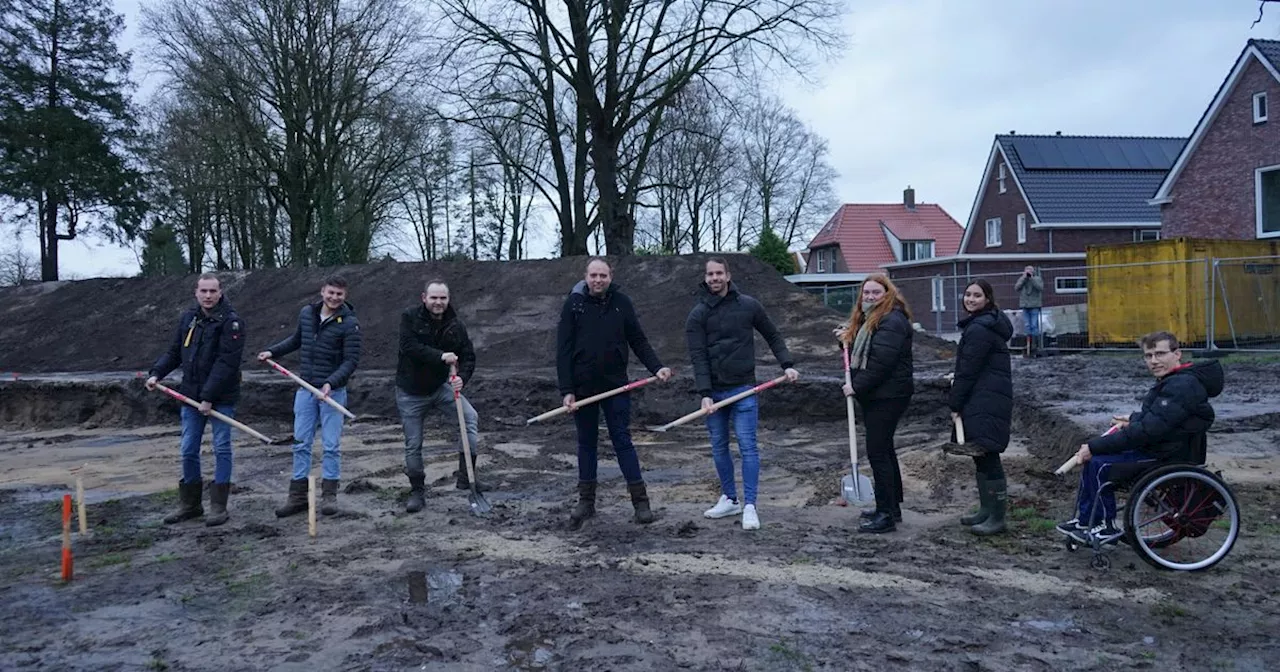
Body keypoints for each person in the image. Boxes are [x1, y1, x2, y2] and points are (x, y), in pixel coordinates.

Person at [1056, 331, 1223, 542]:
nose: (1154, 361)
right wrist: (1133, 419)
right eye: (1149, 355)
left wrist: (1095, 445)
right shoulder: (1175, 380)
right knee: (1094, 462)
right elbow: (1161, 419)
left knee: (1100, 464)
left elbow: (1149, 430)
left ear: (1177, 354)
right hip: (1163, 446)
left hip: (1167, 455)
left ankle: (1103, 526)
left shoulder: (1182, 385)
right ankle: (1086, 520)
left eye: (1160, 354)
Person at [557, 258, 673, 529]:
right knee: (586, 444)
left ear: (611, 277)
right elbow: (562, 350)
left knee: (622, 441)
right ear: (585, 277)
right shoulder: (573, 304)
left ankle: (641, 503)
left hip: (616, 386)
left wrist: (657, 367)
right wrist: (567, 391)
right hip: (583, 389)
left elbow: (638, 339)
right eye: (594, 275)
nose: (598, 280)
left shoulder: (622, 302)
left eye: (603, 275)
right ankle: (586, 502)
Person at [686, 257, 799, 531]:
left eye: (718, 273)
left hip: (744, 388)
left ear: (728, 275)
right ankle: (730, 498)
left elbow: (772, 335)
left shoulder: (748, 305)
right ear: (706, 277)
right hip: (714, 392)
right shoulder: (697, 315)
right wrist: (704, 393)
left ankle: (750, 506)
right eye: (710, 274)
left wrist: (787, 364)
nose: (714, 278)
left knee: (747, 445)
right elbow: (698, 357)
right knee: (718, 446)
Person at [145, 273, 245, 527]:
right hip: (191, 396)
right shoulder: (188, 319)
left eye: (213, 291)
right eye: (204, 291)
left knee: (221, 448)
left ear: (220, 293)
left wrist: (208, 398)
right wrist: (156, 373)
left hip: (221, 397)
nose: (208, 296)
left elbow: (226, 364)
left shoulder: (231, 323)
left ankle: (218, 507)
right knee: (188, 449)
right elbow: (175, 352)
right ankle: (190, 505)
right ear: (196, 292)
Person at [259, 275, 362, 518]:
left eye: (339, 294)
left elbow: (351, 361)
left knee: (331, 445)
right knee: (301, 443)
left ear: (344, 296)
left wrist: (331, 383)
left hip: (333, 393)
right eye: (331, 292)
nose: (334, 298)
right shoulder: (307, 314)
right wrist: (272, 351)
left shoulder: (350, 324)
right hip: (305, 389)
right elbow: (297, 340)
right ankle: (297, 497)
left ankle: (329, 496)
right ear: (322, 291)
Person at [395, 279, 488, 513]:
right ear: (424, 297)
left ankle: (466, 477)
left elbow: (468, 356)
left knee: (469, 418)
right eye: (434, 297)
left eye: (443, 298)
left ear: (448, 300)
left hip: (440, 388)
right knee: (413, 444)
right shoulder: (410, 318)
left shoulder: (455, 325)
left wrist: (462, 379)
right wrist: (440, 357)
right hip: (411, 391)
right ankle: (417, 490)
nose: (438, 302)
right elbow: (409, 347)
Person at [838, 273, 914, 534]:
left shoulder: (891, 320)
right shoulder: (872, 318)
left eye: (875, 293)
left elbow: (882, 362)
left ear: (887, 294)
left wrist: (856, 386)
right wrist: (845, 341)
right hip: (880, 394)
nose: (869, 297)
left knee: (879, 453)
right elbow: (864, 347)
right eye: (866, 293)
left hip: (888, 395)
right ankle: (891, 508)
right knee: (885, 451)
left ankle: (886, 515)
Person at [948, 279, 1014, 536]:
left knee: (988, 455)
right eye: (967, 295)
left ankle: (996, 518)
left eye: (977, 295)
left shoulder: (980, 328)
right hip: (985, 395)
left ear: (987, 299)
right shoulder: (984, 323)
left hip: (985, 398)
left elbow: (968, 370)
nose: (971, 299)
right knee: (981, 454)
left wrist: (955, 402)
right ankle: (986, 510)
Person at [1014, 265, 1044, 356]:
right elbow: (1017, 288)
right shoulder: (1022, 279)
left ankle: (1035, 345)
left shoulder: (1037, 279)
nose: (1028, 273)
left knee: (1034, 325)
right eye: (1026, 271)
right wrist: (1024, 278)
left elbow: (1040, 288)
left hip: (1034, 305)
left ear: (1033, 271)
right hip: (1025, 306)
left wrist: (1031, 279)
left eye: (1030, 271)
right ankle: (1028, 345)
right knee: (1027, 326)